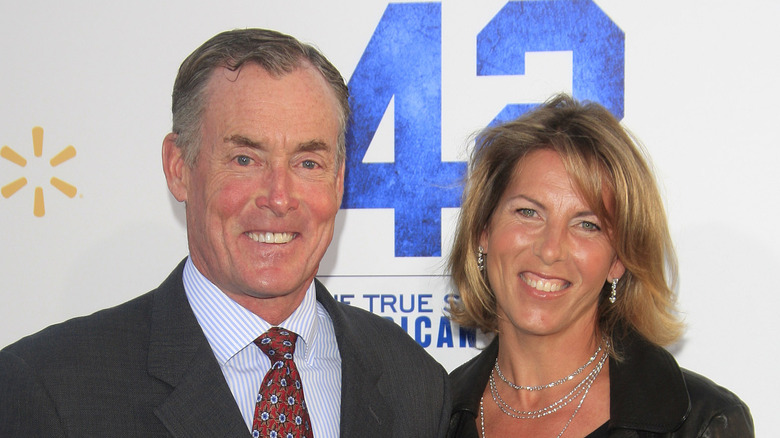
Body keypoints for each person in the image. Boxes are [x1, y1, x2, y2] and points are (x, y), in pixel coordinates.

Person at [0, 28, 450, 438]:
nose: (279, 197)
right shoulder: (52, 388)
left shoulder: (414, 383)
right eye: (244, 160)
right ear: (179, 168)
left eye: (307, 163)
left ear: (338, 181)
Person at [445, 94, 753, 437]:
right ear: (483, 231)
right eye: (528, 212)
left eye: (586, 225)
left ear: (618, 260)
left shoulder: (701, 424)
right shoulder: (430, 415)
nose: (550, 250)